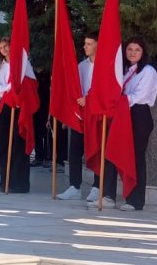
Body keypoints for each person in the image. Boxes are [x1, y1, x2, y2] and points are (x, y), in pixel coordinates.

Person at [102, 36, 157, 211]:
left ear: (143, 52)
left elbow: (139, 96)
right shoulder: (124, 70)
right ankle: (109, 195)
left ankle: (135, 200)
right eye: (129, 49)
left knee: (136, 157)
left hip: (138, 115)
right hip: (122, 115)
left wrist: (117, 101)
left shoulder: (147, 71)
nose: (132, 53)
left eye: (137, 50)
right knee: (113, 151)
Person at [57, 33, 100, 200]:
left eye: (89, 43)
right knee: (74, 149)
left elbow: (105, 88)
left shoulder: (105, 65)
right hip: (80, 115)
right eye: (85, 43)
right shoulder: (81, 66)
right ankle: (74, 186)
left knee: (96, 150)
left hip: (96, 115)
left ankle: (97, 186)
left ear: (97, 45)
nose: (85, 46)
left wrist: (89, 99)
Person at [0, 37, 32, 193]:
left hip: (20, 107)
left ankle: (19, 183)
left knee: (18, 145)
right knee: (3, 145)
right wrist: (9, 88)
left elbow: (28, 81)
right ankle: (5, 180)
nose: (4, 50)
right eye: (1, 48)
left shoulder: (22, 64)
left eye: (6, 46)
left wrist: (8, 88)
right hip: (6, 107)